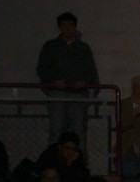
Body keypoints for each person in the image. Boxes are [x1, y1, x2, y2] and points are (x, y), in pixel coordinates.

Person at [36, 12, 99, 146]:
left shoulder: (83, 48)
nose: (67, 29)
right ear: (60, 27)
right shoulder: (50, 46)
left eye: (70, 25)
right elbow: (42, 69)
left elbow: (91, 71)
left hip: (78, 94)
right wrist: (54, 81)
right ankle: (54, 157)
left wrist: (84, 82)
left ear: (75, 27)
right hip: (57, 94)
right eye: (64, 25)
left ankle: (79, 158)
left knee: (79, 131)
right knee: (56, 130)